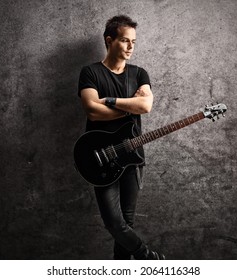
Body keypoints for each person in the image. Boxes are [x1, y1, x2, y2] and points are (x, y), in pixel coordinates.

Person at [77, 15, 165, 260]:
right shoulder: (91, 73)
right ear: (109, 40)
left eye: (134, 41)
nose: (130, 47)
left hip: (132, 155)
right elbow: (92, 110)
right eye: (125, 40)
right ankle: (146, 256)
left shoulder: (139, 74)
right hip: (99, 157)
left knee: (127, 222)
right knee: (115, 223)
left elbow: (146, 106)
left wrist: (113, 102)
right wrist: (131, 105)